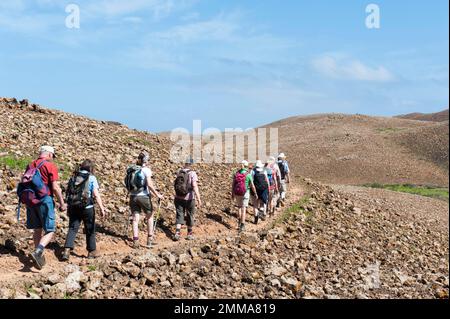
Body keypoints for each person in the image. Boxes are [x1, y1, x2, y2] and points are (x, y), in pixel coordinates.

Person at [25, 146, 67, 270]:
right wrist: (62, 203)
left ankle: (38, 255)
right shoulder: (49, 165)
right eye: (53, 156)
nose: (53, 158)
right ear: (49, 154)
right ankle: (38, 252)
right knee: (50, 230)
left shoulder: (31, 165)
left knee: (37, 229)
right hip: (44, 200)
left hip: (31, 200)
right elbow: (55, 187)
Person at [61, 160, 107, 261]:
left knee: (73, 228)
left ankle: (66, 251)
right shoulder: (91, 178)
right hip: (87, 208)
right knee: (90, 229)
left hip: (74, 206)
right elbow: (96, 194)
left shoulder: (74, 177)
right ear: (90, 168)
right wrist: (102, 208)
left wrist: (68, 206)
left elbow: (69, 193)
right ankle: (91, 252)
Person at [127, 152, 163, 249]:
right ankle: (149, 240)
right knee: (150, 216)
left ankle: (135, 241)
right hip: (144, 196)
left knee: (135, 218)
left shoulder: (131, 169)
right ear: (146, 160)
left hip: (133, 196)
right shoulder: (146, 170)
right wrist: (157, 195)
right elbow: (150, 185)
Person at [173, 157, 202, 241]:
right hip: (189, 198)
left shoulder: (179, 172)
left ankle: (177, 233)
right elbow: (195, 186)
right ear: (191, 164)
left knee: (179, 214)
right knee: (190, 215)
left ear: (185, 163)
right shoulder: (192, 173)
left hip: (178, 197)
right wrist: (198, 198)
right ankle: (189, 234)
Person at [231, 160, 257, 233]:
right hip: (245, 193)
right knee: (244, 209)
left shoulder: (236, 173)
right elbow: (252, 185)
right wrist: (255, 193)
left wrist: (232, 193)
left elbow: (233, 184)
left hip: (237, 193)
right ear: (246, 166)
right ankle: (242, 225)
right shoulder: (248, 174)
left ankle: (239, 222)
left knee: (239, 207)